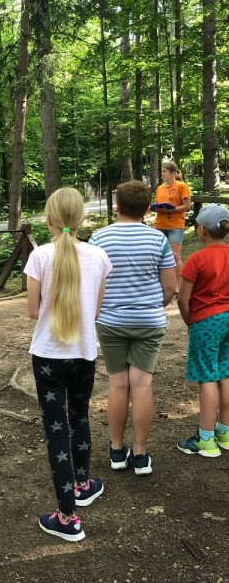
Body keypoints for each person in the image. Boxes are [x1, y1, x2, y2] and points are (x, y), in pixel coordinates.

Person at [24, 188, 112, 543]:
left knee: (56, 431)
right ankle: (83, 485)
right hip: (84, 354)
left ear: (48, 219)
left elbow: (33, 311)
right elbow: (96, 311)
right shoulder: (99, 256)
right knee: (80, 417)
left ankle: (67, 517)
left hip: (48, 356)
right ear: (81, 219)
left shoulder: (39, 257)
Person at [89, 182, 177, 476]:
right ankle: (140, 454)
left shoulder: (98, 238)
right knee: (142, 384)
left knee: (117, 384)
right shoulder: (158, 239)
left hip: (111, 321)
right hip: (148, 322)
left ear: (117, 207)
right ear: (147, 209)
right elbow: (170, 287)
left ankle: (116, 451)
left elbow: (91, 281)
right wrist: (153, 305)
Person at [177, 204, 229, 458]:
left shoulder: (197, 259)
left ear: (202, 230)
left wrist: (192, 323)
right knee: (225, 372)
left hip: (206, 321)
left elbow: (182, 299)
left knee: (207, 376)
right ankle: (225, 432)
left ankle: (206, 439)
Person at [151, 161, 191, 281]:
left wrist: (170, 210)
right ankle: (164, 282)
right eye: (162, 171)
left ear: (173, 173)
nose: (162, 174)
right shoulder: (159, 188)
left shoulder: (182, 186)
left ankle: (181, 285)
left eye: (164, 171)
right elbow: (157, 205)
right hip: (160, 225)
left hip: (175, 226)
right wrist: (155, 208)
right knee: (159, 255)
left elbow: (187, 206)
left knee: (175, 255)